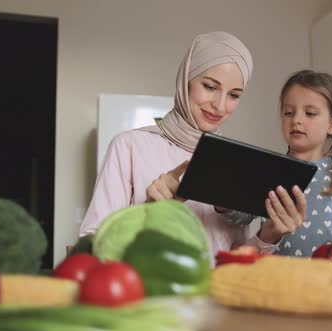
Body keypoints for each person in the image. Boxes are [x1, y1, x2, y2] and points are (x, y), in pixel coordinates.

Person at [79, 32, 301, 261]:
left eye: (234, 95)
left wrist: (270, 234)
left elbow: (234, 260)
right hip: (151, 293)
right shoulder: (129, 147)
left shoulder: (235, 162)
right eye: (209, 86)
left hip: (216, 295)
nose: (220, 105)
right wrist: (148, 212)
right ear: (186, 80)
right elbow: (91, 244)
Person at [222, 69, 332, 256]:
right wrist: (223, 199)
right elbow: (240, 216)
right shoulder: (270, 169)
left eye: (309, 113)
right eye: (288, 112)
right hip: (280, 279)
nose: (296, 120)